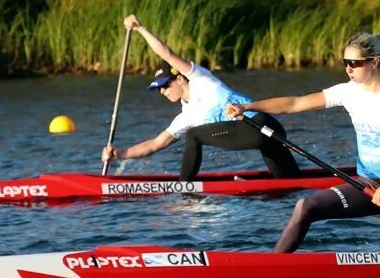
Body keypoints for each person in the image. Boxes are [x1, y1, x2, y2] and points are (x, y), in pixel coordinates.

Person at [226, 33, 380, 253]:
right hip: (365, 184)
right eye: (345, 63)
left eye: (354, 63)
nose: (348, 69)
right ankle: (272, 269)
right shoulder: (347, 92)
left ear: (375, 62)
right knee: (305, 207)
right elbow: (296, 103)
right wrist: (248, 107)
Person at [101, 15, 300, 180]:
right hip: (265, 134)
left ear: (179, 78)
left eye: (165, 85)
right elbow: (155, 144)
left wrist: (140, 29)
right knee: (291, 185)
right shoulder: (185, 117)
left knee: (194, 135)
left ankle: (184, 189)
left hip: (261, 124)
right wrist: (119, 154)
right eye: (158, 89)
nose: (163, 91)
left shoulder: (200, 78)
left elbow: (167, 54)